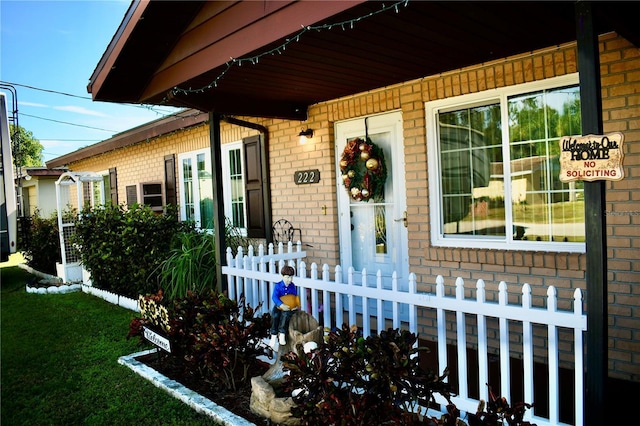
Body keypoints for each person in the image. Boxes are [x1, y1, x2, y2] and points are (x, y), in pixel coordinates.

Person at [269, 265, 299, 348]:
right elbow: (274, 297)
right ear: (282, 276)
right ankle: (273, 335)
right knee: (275, 316)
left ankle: (282, 334)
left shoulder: (292, 286)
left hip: (288, 307)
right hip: (279, 306)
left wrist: (295, 305)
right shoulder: (278, 286)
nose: (289, 280)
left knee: (285, 316)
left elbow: (294, 296)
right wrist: (281, 304)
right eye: (287, 277)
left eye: (291, 277)